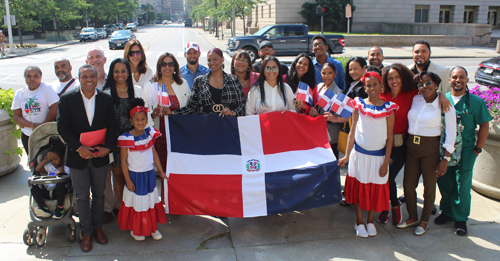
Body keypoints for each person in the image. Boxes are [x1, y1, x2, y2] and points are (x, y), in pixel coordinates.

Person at [57, 64, 117, 252]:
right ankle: (87, 232)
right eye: (85, 76)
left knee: (99, 194)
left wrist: (108, 148)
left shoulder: (106, 99)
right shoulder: (67, 99)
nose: (89, 79)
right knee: (83, 196)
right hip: (77, 157)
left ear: (97, 77)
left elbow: (113, 126)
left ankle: (98, 228)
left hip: (100, 155)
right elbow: (62, 127)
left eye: (92, 75)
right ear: (79, 78)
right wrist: (78, 148)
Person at [338, 70, 397, 238]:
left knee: (375, 189)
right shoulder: (358, 105)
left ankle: (371, 220)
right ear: (364, 87)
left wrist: (386, 162)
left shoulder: (389, 109)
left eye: (375, 85)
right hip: (360, 156)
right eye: (368, 85)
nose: (372, 88)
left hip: (379, 157)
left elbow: (390, 138)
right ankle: (359, 221)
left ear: (381, 86)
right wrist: (347, 156)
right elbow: (352, 132)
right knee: (360, 189)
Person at [397, 71, 456, 236]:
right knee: (408, 185)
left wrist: (446, 158)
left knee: (429, 188)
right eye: (421, 84)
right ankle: (412, 218)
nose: (424, 87)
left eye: (428, 83)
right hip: (411, 148)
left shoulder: (445, 104)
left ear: (436, 84)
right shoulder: (416, 99)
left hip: (430, 148)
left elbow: (452, 133)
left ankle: (424, 221)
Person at [435, 66, 492, 236]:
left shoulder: (475, 102)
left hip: (466, 149)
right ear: (449, 80)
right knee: (444, 181)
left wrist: (477, 149)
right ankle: (446, 212)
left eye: (461, 77)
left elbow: (484, 126)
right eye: (454, 77)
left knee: (462, 184)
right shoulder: (442, 99)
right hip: (445, 149)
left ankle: (460, 218)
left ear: (467, 79)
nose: (457, 80)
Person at [117, 98, 168, 241]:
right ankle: (136, 229)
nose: (140, 122)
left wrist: (161, 171)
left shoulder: (150, 134)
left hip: (149, 175)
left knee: (150, 201)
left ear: (147, 120)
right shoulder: (126, 138)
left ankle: (152, 227)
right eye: (137, 120)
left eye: (143, 119)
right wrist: (127, 180)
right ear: (131, 121)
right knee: (138, 203)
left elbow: (155, 155)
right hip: (135, 177)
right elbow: (123, 161)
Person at [144, 52, 191, 202]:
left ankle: (180, 200)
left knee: (179, 168)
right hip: (160, 134)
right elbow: (144, 113)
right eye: (163, 64)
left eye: (170, 64)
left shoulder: (182, 84)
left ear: (175, 67)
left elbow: (190, 108)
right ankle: (166, 200)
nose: (167, 67)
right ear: (159, 67)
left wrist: (173, 113)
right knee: (164, 169)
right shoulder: (150, 86)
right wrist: (153, 114)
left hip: (179, 135)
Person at [102, 58, 143, 207]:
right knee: (118, 176)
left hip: (136, 143)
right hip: (115, 144)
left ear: (128, 72)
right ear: (111, 73)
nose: (120, 74)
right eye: (116, 71)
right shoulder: (105, 94)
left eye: (123, 71)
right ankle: (122, 208)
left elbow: (145, 116)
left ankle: (138, 207)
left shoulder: (137, 90)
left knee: (135, 175)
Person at [167, 48, 245, 116]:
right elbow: (192, 107)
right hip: (207, 128)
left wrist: (232, 113)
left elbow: (242, 105)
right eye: (209, 60)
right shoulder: (199, 81)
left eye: (215, 59)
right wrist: (173, 113)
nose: (212, 63)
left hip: (229, 126)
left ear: (222, 59)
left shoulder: (234, 80)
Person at [11, 66, 59, 154]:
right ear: (25, 77)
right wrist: (33, 125)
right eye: (28, 76)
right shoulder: (20, 93)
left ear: (41, 77)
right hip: (27, 135)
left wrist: (42, 126)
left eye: (35, 76)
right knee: (32, 162)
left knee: (46, 161)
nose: (32, 79)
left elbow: (54, 109)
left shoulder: (47, 88)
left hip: (45, 134)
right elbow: (17, 116)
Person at [310, 62, 347, 160]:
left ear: (335, 74)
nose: (326, 76)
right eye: (323, 73)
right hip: (318, 131)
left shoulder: (338, 92)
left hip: (331, 133)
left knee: (332, 162)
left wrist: (320, 116)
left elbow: (342, 116)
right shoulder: (320, 86)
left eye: (329, 73)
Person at [32, 141, 69, 219]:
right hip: (47, 190)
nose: (53, 162)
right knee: (34, 188)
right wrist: (46, 160)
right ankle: (43, 207)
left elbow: (68, 180)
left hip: (58, 192)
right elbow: (38, 169)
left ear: (62, 158)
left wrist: (61, 172)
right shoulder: (49, 166)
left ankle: (59, 207)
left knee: (60, 184)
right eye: (51, 160)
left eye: (55, 159)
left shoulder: (65, 167)